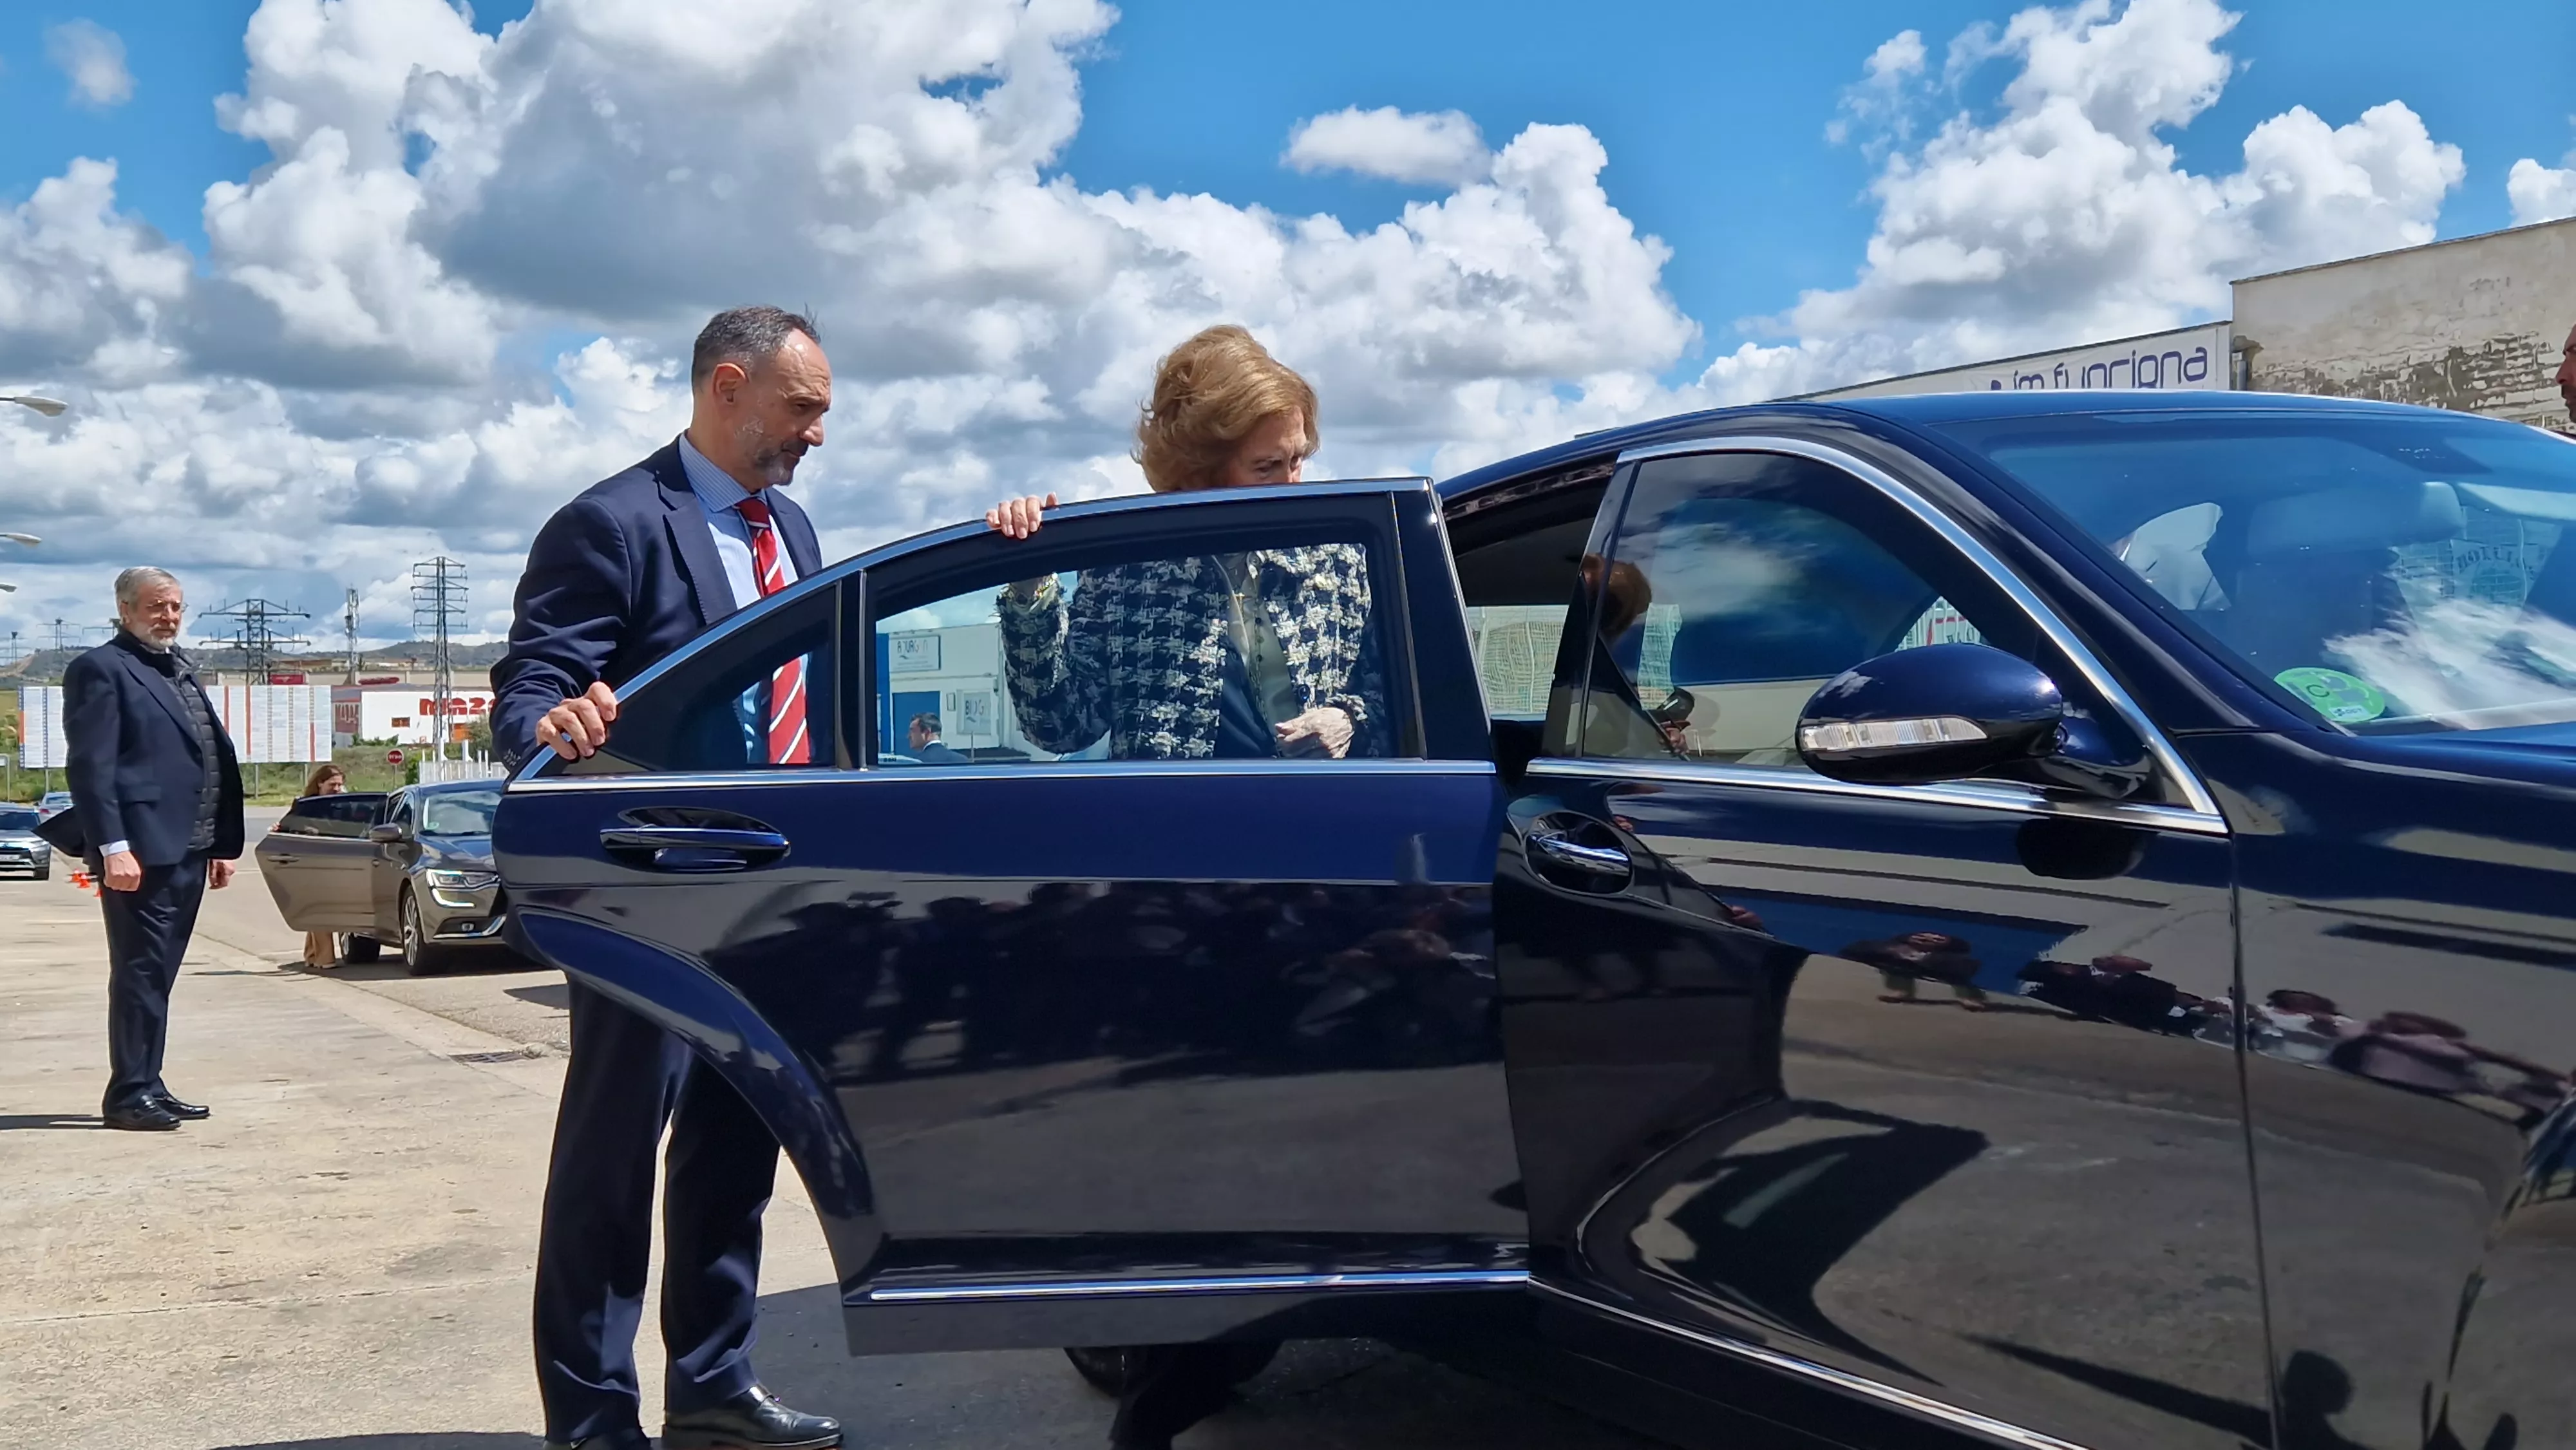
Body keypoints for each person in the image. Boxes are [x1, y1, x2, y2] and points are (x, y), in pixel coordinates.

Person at [491, 306, 840, 1450]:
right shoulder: (613, 521)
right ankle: (592, 1417)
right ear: (728, 386)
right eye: (803, 407)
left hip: (768, 890)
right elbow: (539, 672)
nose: (816, 434)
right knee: (611, 1161)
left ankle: (712, 1381)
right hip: (651, 897)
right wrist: (545, 716)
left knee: (736, 1153)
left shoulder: (791, 525)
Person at [983, 325, 1384, 766]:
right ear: (1199, 472)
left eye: (1298, 460)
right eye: (1267, 467)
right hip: (1173, 824)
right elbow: (1060, 726)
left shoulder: (1342, 557)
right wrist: (1029, 588)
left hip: (1327, 817)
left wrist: (1349, 720)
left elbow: (1408, 698)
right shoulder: (1124, 571)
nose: (1290, 484)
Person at [56, 567, 245, 1131]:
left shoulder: (177, 670)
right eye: (157, 607)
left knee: (157, 975)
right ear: (125, 607)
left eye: (176, 608)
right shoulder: (101, 669)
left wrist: (217, 843)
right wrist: (113, 846)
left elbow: (202, 758)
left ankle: (148, 1081)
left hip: (186, 848)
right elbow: (92, 768)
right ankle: (128, 1093)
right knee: (141, 971)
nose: (168, 617)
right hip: (141, 853)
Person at [293, 763, 349, 967]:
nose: (336, 789)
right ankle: (326, 958)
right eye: (332, 784)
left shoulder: (343, 805)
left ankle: (311, 955)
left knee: (319, 909)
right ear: (320, 783)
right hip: (310, 863)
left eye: (339, 785)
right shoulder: (305, 805)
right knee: (321, 909)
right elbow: (292, 828)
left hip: (337, 862)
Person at [905, 712, 969, 765]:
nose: (908, 736)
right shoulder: (962, 760)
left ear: (927, 732)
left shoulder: (917, 763)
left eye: (913, 731)